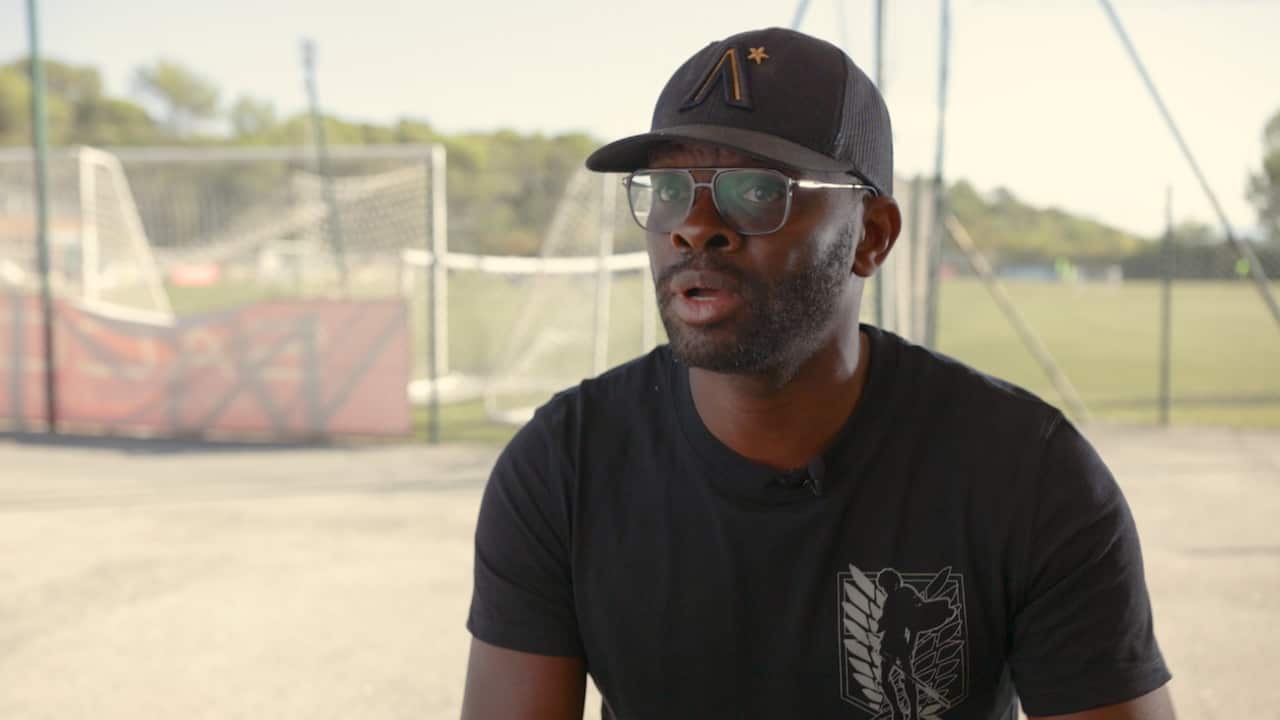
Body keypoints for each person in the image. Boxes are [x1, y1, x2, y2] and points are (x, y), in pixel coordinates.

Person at [461, 27, 1173, 720]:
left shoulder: (1027, 476)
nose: (693, 224)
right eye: (670, 190)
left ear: (872, 235)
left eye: (758, 192)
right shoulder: (565, 466)